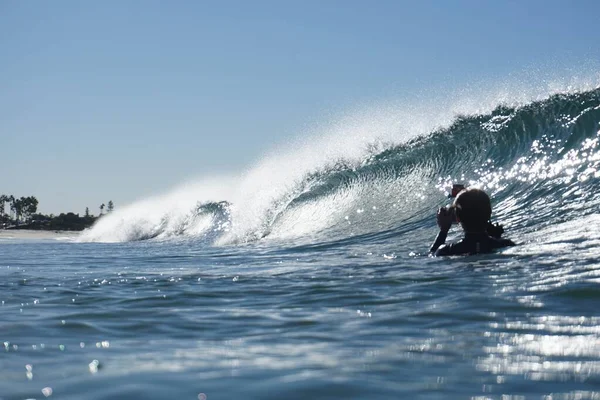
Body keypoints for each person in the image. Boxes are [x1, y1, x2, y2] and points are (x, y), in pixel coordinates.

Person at [430, 188, 515, 256]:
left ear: (458, 218)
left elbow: (433, 255)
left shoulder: (448, 250)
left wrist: (443, 230)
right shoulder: (506, 244)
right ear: (489, 214)